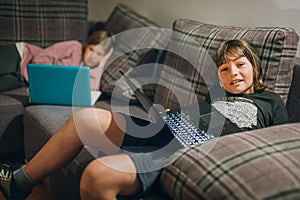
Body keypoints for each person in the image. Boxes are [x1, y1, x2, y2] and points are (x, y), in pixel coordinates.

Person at [0, 39, 288, 200]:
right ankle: (19, 182)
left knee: (97, 176)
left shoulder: (270, 101)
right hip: (162, 127)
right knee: (86, 119)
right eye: (224, 69)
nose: (233, 73)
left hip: (181, 148)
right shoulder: (216, 98)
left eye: (240, 64)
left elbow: (279, 140)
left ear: (255, 66)